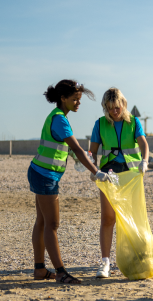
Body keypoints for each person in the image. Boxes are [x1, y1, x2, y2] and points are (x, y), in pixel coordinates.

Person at [29, 79, 109, 284]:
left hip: (40, 172)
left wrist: (82, 160)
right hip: (46, 176)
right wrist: (96, 171)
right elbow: (76, 148)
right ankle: (61, 272)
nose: (78, 103)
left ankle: (39, 269)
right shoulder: (60, 119)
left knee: (42, 222)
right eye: (75, 99)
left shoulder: (57, 116)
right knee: (52, 224)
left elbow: (69, 149)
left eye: (79, 99)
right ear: (63, 99)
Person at [89, 88, 150, 278]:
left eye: (118, 107)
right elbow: (92, 153)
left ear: (123, 104)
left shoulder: (134, 123)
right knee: (108, 218)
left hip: (131, 175)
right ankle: (105, 263)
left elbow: (144, 145)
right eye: (111, 108)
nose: (115, 111)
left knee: (132, 217)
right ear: (105, 108)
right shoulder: (99, 125)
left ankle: (138, 257)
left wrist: (145, 161)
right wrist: (93, 170)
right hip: (109, 175)